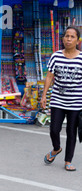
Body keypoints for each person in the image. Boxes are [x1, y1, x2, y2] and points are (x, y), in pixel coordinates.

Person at [41, 26, 82, 172]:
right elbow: (49, 76)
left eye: (72, 37)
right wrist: (44, 95)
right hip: (58, 99)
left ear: (78, 40)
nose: (69, 39)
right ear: (63, 38)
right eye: (66, 36)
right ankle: (56, 148)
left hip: (76, 102)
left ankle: (68, 161)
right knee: (54, 129)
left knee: (72, 132)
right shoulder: (56, 56)